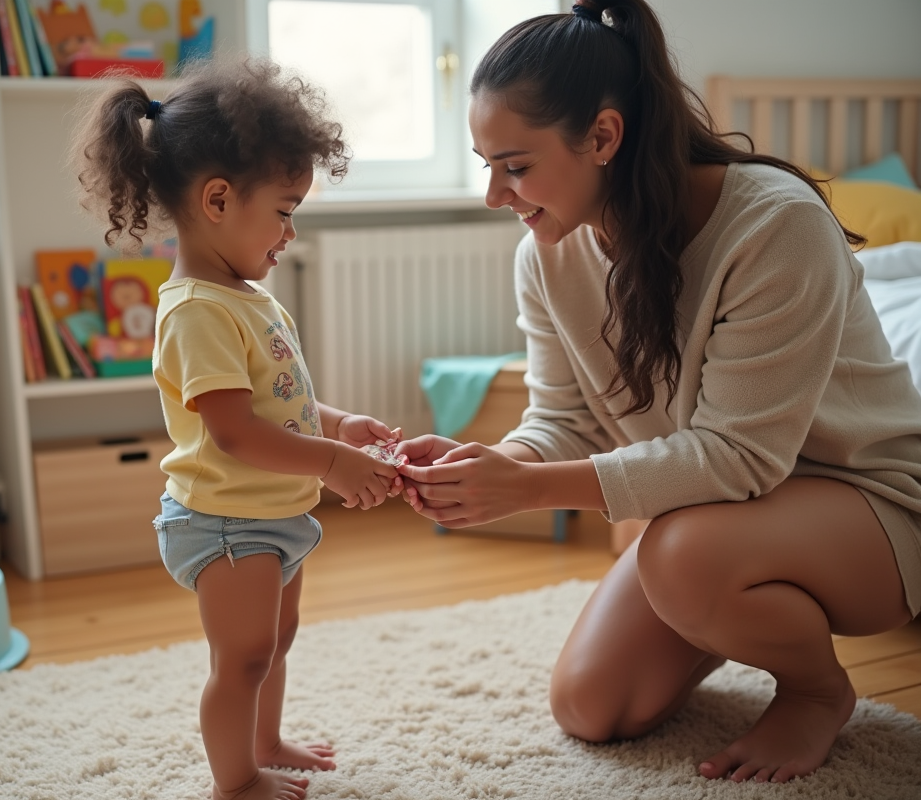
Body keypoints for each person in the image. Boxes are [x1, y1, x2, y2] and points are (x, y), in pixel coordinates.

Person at [394, 0, 921, 785]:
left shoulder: (775, 226)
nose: (495, 196)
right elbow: (565, 418)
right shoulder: (548, 254)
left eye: (515, 165)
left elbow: (740, 456)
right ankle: (725, 598)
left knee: (679, 554)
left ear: (603, 137)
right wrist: (488, 464)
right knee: (592, 706)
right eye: (486, 165)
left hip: (868, 505)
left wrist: (526, 489)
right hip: (724, 519)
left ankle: (816, 689)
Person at [74, 58, 403, 800]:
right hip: (225, 521)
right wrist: (329, 463)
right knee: (243, 655)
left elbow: (277, 403)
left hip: (273, 513)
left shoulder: (247, 296)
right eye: (285, 210)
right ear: (218, 199)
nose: (290, 231)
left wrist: (341, 427)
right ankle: (235, 782)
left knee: (275, 642)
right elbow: (233, 434)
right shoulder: (197, 309)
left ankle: (267, 740)